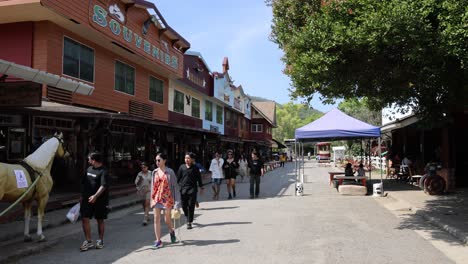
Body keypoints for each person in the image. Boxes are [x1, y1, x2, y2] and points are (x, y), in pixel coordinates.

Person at [150, 153, 181, 249]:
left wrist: (177, 203)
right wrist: (151, 199)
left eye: (159, 160)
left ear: (164, 161)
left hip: (167, 198)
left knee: (167, 219)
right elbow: (152, 186)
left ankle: (171, 231)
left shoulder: (170, 172)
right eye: (156, 160)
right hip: (157, 198)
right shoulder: (154, 172)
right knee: (156, 218)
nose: (157, 162)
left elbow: (175, 187)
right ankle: (158, 240)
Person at [80, 152, 109, 251]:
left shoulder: (104, 171)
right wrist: (81, 196)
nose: (88, 161)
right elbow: (84, 183)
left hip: (100, 200)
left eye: (89, 159)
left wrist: (95, 196)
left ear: (94, 160)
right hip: (87, 199)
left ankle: (100, 240)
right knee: (84, 218)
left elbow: (103, 185)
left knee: (100, 219)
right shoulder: (88, 169)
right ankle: (88, 241)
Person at [177, 152, 204, 229]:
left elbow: (199, 178)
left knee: (191, 206)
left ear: (192, 159)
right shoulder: (181, 167)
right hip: (183, 189)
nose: (187, 160)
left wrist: (201, 187)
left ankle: (189, 222)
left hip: (192, 189)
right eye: (185, 158)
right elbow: (178, 178)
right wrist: (175, 187)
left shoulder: (195, 168)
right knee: (183, 205)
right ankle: (187, 215)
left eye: (188, 158)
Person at [134, 162, 152, 226]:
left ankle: (145, 218)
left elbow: (154, 182)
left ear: (147, 167)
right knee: (144, 204)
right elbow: (136, 183)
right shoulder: (139, 174)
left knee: (147, 203)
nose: (143, 168)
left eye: (144, 167)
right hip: (142, 191)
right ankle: (146, 214)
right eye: (142, 167)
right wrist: (140, 180)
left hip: (149, 190)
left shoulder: (151, 173)